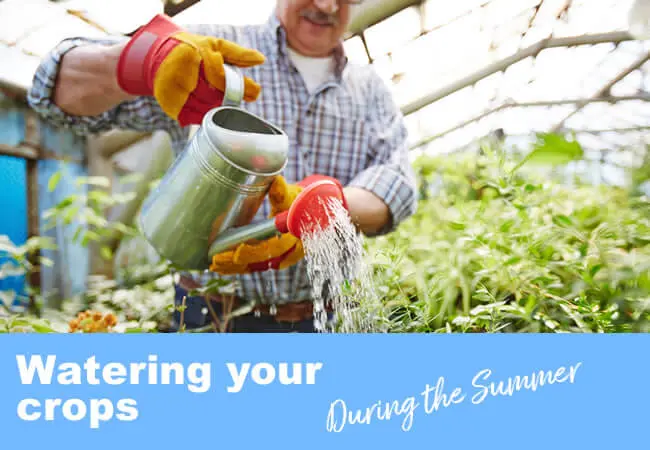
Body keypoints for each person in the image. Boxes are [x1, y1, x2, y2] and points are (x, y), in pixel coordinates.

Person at [27, 0, 418, 333]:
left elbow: (397, 185)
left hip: (322, 318)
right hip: (213, 314)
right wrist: (143, 62)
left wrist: (324, 205)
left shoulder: (368, 91)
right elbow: (52, 92)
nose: (327, 6)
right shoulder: (211, 54)